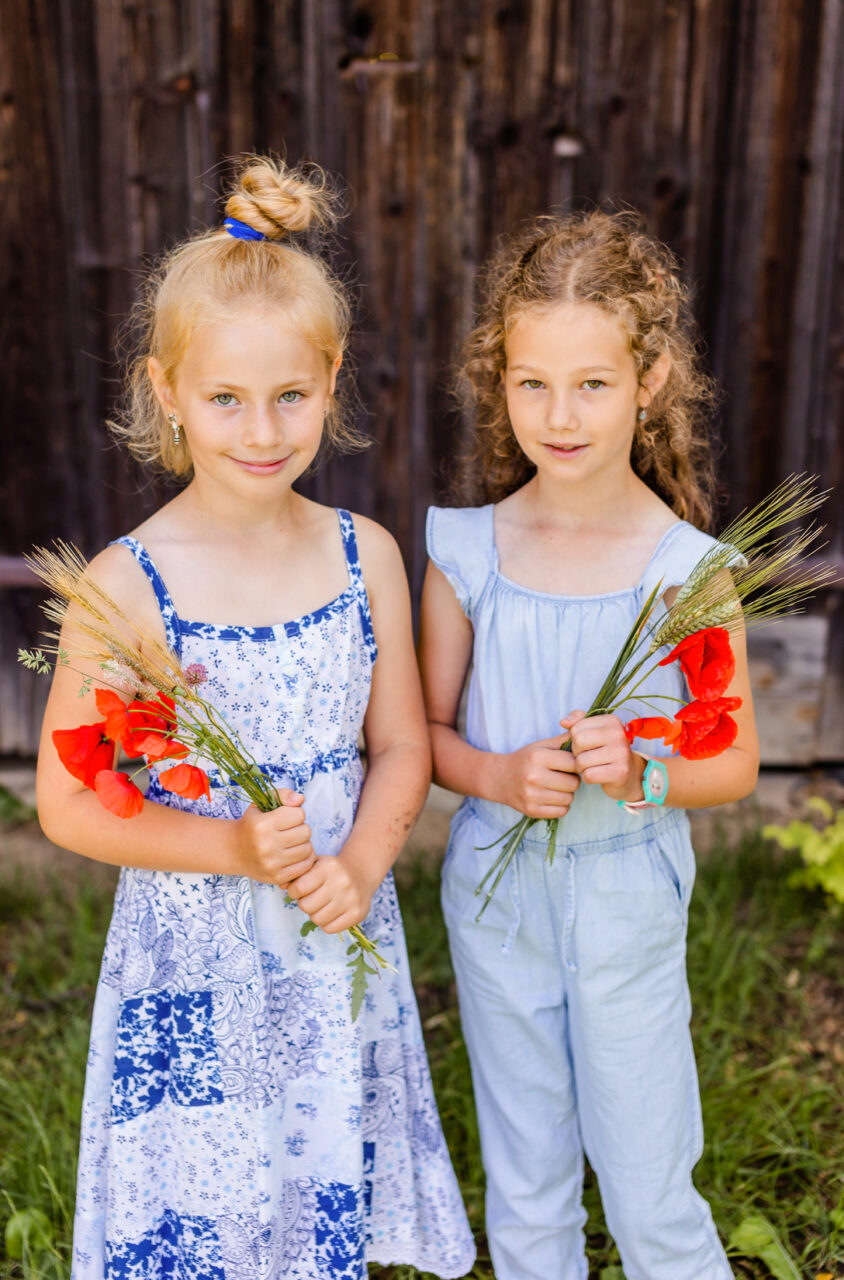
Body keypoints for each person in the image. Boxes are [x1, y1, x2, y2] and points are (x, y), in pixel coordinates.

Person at [37, 156, 475, 1280]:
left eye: (291, 394)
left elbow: (400, 746)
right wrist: (228, 844)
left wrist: (366, 859)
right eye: (225, 397)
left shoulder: (362, 552)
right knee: (210, 1197)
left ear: (331, 381)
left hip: (327, 938)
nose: (261, 428)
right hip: (195, 956)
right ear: (166, 390)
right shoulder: (127, 585)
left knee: (312, 1176)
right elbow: (68, 802)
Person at [418, 209, 759, 1279]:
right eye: (530, 382)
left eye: (592, 383)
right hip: (495, 892)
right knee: (525, 1174)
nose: (558, 415)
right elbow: (424, 736)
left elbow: (734, 760)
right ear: (499, 380)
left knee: (647, 1170)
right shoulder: (468, 549)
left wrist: (644, 767)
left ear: (649, 377)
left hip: (624, 893)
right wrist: (500, 775)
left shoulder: (688, 569)